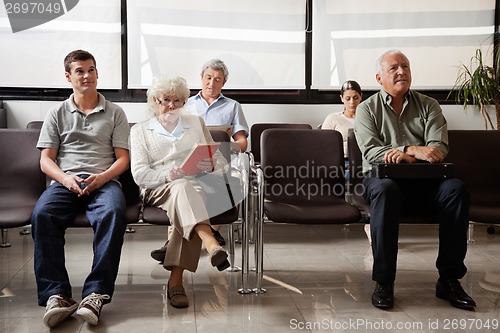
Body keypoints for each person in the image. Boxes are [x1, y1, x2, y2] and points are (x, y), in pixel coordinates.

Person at [354, 49, 475, 311]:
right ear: (379, 77)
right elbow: (372, 151)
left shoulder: (429, 105)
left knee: (456, 189)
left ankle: (449, 279)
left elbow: (437, 149)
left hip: (424, 181)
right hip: (380, 179)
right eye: (394, 68)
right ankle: (384, 281)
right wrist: (411, 149)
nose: (401, 72)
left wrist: (409, 153)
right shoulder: (366, 109)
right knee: (386, 190)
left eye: (405, 67)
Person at [31, 50, 130, 328]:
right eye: (79, 71)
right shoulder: (57, 112)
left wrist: (102, 177)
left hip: (104, 180)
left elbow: (123, 158)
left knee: (113, 213)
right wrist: (65, 179)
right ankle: (57, 295)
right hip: (66, 181)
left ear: (97, 73)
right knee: (42, 216)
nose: (86, 76)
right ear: (68, 76)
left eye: (91, 70)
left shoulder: (115, 112)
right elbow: (46, 160)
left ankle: (95, 294)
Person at [130, 75, 232, 309]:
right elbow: (139, 175)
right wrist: (168, 175)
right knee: (184, 188)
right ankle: (210, 241)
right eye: (166, 100)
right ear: (154, 100)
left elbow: (220, 162)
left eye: (179, 101)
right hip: (157, 188)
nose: (172, 106)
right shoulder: (140, 131)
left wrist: (213, 165)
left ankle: (176, 282)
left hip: (194, 187)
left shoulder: (195, 123)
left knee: (187, 192)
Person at [150, 58, 249, 263]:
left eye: (218, 79)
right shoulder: (184, 103)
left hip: (217, 162)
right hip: (185, 163)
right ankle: (208, 236)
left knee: (210, 181)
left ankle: (181, 241)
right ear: (201, 78)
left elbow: (242, 142)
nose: (212, 83)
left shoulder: (233, 106)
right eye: (208, 77)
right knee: (182, 185)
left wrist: (219, 148)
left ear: (224, 83)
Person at [321, 80, 362, 156]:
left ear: (360, 97)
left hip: (364, 160)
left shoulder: (367, 119)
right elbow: (323, 144)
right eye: (348, 98)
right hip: (340, 160)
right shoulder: (333, 118)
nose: (352, 102)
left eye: (355, 98)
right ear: (342, 98)